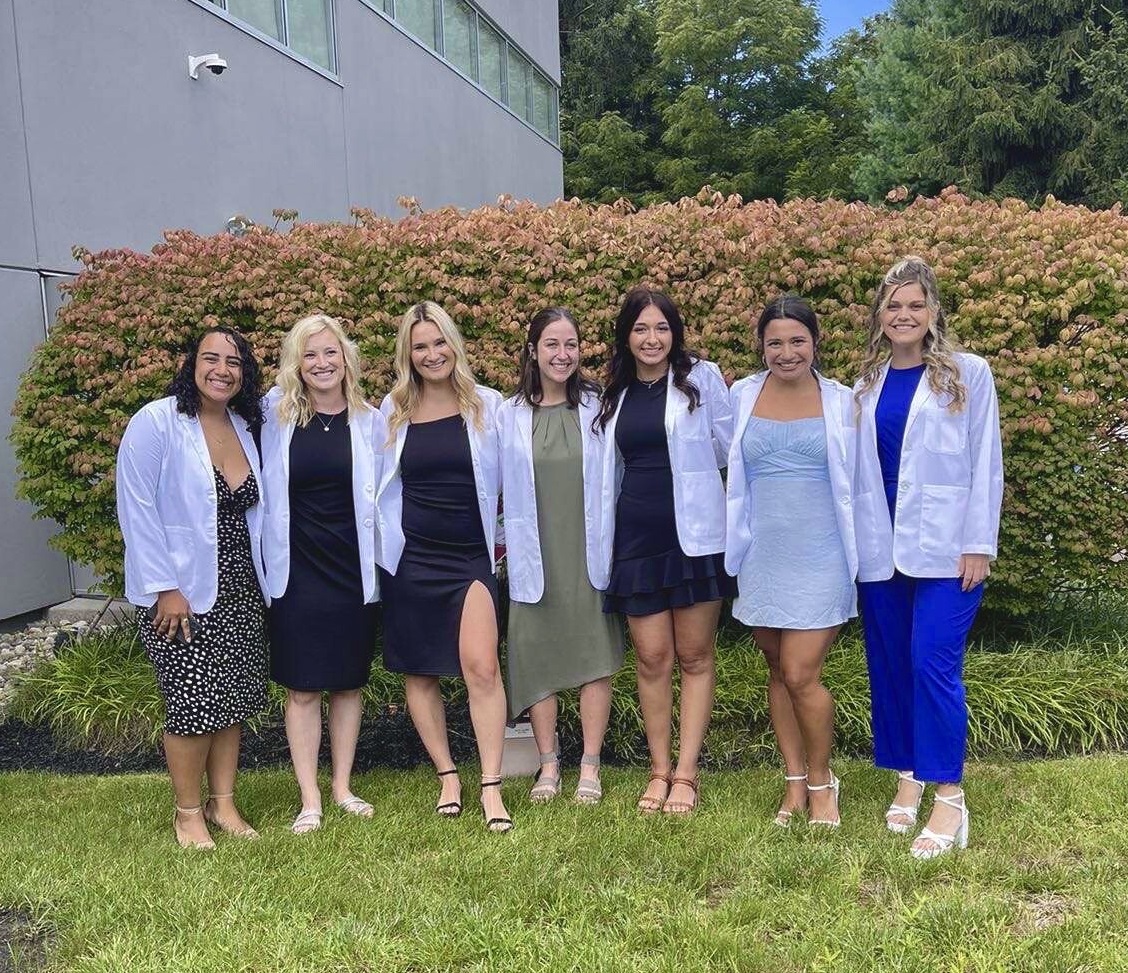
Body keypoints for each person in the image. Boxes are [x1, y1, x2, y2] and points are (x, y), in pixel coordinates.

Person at [853, 256, 1003, 859]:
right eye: (894, 306)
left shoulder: (969, 374)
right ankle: (907, 777)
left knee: (931, 662)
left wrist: (978, 543)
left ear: (934, 311)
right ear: (880, 316)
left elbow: (985, 461)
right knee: (890, 663)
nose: (904, 315)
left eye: (915, 305)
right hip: (879, 551)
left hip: (947, 551)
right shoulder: (865, 385)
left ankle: (949, 797)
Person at [116, 326, 268, 850]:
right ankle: (187, 813)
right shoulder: (156, 422)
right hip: (178, 593)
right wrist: (165, 587)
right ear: (191, 364)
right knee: (190, 701)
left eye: (233, 362)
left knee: (230, 699)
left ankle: (222, 803)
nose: (222, 369)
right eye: (211, 358)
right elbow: (135, 508)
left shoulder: (246, 426)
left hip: (239, 587)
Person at [595, 286, 734, 815]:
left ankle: (687, 772)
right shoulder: (615, 391)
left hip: (695, 539)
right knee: (652, 658)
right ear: (626, 337)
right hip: (635, 539)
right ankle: (658, 769)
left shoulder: (702, 378)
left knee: (695, 656)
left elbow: (728, 450)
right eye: (640, 329)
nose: (652, 339)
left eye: (661, 328)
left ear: (674, 332)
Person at [375, 301, 513, 832]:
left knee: (482, 666)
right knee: (421, 671)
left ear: (454, 345)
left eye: (439, 343)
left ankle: (492, 786)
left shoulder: (489, 405)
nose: (432, 354)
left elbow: (516, 484)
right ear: (408, 355)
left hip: (470, 556)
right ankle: (448, 776)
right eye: (420, 346)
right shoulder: (391, 410)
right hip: (411, 558)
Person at [725, 296, 857, 828]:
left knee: (802, 672)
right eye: (775, 342)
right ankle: (794, 781)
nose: (786, 352)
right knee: (778, 670)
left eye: (797, 340)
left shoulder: (844, 401)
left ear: (815, 342)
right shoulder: (740, 395)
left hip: (823, 552)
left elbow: (866, 482)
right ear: (761, 346)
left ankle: (824, 781)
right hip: (762, 553)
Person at [260, 314, 386, 835]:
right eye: (309, 355)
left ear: (346, 358)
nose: (321, 363)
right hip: (296, 568)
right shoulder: (274, 413)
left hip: (352, 570)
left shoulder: (372, 419)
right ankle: (309, 797)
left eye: (330, 353)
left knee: (348, 684)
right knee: (303, 688)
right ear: (296, 363)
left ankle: (342, 786)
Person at [497, 307, 624, 804]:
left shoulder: (600, 407)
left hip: (588, 550)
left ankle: (589, 766)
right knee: (538, 654)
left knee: (595, 655)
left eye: (570, 344)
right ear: (533, 350)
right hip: (535, 554)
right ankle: (548, 765)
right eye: (551, 344)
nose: (562, 354)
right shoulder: (508, 415)